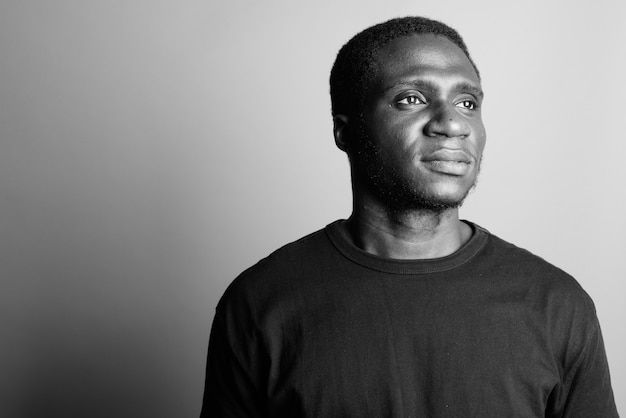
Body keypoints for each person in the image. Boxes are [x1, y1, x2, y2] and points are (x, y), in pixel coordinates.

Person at [200, 17, 619, 417]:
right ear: (346, 132)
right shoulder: (261, 304)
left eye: (467, 101)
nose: (452, 123)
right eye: (411, 99)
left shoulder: (556, 305)